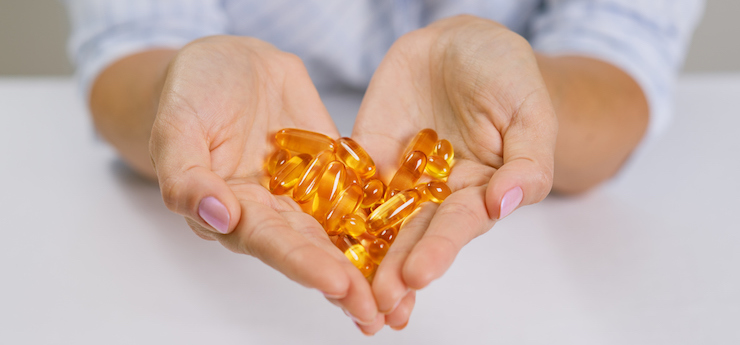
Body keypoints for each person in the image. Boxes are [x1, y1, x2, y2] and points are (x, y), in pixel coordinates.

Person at [64, 0, 704, 335]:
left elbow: (622, 45)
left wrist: (530, 97)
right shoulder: (316, 166)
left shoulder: (407, 174)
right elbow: (131, 38)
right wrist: (178, 94)